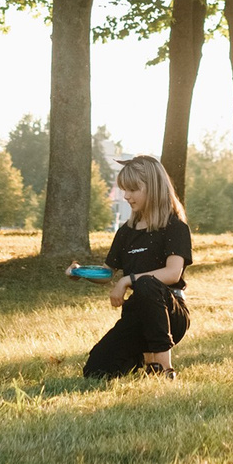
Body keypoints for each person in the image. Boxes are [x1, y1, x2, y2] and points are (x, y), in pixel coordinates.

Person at [83, 154, 192, 381]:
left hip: (171, 315)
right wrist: (79, 272)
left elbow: (173, 274)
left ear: (152, 188)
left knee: (145, 284)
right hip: (137, 316)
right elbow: (107, 272)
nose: (126, 196)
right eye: (124, 189)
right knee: (95, 370)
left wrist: (126, 280)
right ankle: (141, 359)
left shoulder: (175, 227)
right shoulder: (127, 231)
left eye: (133, 189)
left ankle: (163, 368)